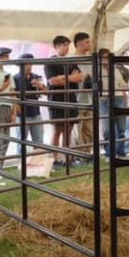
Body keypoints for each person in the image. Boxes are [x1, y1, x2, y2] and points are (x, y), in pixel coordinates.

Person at [44, 36, 83, 165]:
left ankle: (67, 158)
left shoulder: (71, 61)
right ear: (57, 46)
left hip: (71, 99)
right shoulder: (50, 62)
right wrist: (71, 77)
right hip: (56, 99)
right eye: (64, 45)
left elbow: (80, 77)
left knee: (69, 129)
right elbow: (53, 81)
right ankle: (54, 158)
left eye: (68, 45)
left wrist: (63, 78)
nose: (67, 48)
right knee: (57, 129)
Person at [96, 48, 129, 157]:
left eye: (109, 57)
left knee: (122, 128)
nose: (107, 60)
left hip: (118, 97)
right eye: (105, 57)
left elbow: (123, 85)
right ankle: (109, 153)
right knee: (107, 128)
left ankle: (120, 151)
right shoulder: (97, 71)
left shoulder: (115, 69)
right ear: (100, 59)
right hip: (104, 99)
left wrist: (126, 100)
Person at [12, 53, 45, 151]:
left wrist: (40, 86)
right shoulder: (15, 78)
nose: (29, 66)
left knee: (39, 141)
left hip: (36, 113)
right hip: (22, 115)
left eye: (31, 64)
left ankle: (38, 164)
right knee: (21, 142)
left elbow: (45, 93)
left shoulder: (37, 77)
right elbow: (12, 96)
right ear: (20, 65)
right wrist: (16, 109)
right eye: (26, 64)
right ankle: (21, 164)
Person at [72, 32, 95, 150]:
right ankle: (78, 154)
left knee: (89, 128)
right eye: (87, 42)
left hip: (89, 99)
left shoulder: (90, 59)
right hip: (77, 99)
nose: (89, 44)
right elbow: (73, 78)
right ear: (79, 43)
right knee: (77, 128)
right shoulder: (72, 60)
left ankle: (87, 152)